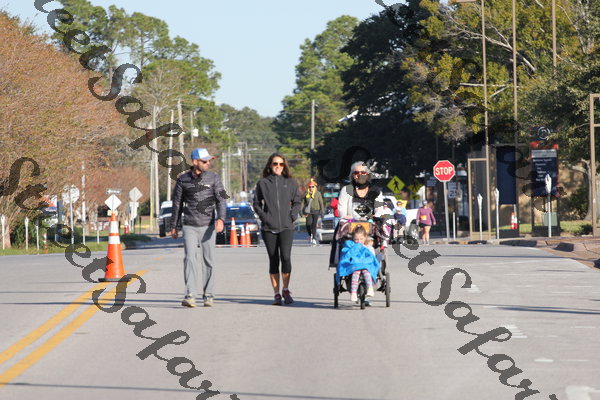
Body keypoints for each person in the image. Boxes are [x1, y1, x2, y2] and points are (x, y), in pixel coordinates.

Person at [171, 148, 226, 308]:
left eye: (209, 160)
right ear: (195, 162)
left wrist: (221, 219)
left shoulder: (214, 178)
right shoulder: (183, 180)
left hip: (208, 226)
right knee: (190, 259)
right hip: (189, 225)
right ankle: (190, 295)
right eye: (204, 161)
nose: (208, 163)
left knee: (208, 260)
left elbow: (221, 200)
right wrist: (174, 225)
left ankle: (208, 295)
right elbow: (177, 204)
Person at [253, 153, 301, 305]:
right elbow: (256, 203)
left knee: (285, 257)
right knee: (273, 260)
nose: (278, 167)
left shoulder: (291, 183)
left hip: (287, 226)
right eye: (275, 164)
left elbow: (297, 201)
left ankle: (285, 289)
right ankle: (276, 294)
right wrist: (264, 217)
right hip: (269, 228)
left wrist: (292, 216)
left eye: (281, 164)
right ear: (270, 165)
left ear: (284, 166)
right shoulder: (263, 183)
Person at [330, 161, 389, 266]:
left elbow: (379, 210)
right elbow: (342, 210)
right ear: (352, 175)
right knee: (346, 243)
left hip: (370, 229)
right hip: (350, 229)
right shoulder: (346, 190)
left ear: (367, 174)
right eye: (356, 172)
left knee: (374, 241)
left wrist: (375, 216)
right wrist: (345, 217)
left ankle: (372, 266)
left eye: (363, 172)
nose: (360, 175)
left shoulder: (375, 191)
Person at [337, 225, 380, 303]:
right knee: (356, 272)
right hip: (355, 265)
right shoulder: (351, 247)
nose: (359, 241)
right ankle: (353, 292)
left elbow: (372, 258)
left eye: (361, 239)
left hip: (365, 265)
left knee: (366, 272)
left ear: (365, 238)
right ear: (353, 239)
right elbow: (347, 255)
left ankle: (370, 288)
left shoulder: (368, 247)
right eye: (356, 239)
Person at [301, 178, 324, 246]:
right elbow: (303, 203)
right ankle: (310, 235)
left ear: (315, 187)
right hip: (308, 211)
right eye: (310, 187)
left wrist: (322, 212)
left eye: (312, 187)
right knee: (308, 224)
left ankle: (314, 238)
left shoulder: (318, 193)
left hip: (316, 210)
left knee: (314, 224)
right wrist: (301, 211)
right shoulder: (306, 194)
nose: (311, 188)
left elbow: (321, 203)